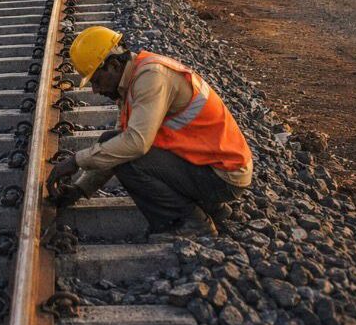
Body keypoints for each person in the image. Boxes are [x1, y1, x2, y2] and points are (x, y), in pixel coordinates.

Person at [47, 26, 253, 238]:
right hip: (211, 164)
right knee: (114, 142)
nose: (95, 90)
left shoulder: (151, 78)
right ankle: (212, 208)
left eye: (96, 81)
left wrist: (76, 161)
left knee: (130, 159)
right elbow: (117, 143)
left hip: (224, 175)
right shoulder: (134, 79)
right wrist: (80, 189)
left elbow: (135, 144)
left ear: (114, 65)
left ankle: (191, 222)